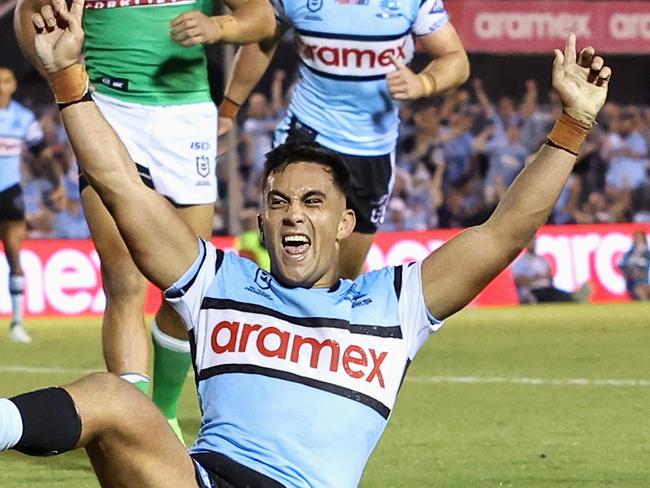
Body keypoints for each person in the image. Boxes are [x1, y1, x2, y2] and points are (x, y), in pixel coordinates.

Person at [1, 4, 610, 486]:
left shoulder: (393, 304)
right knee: (114, 393)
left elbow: (504, 232)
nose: (294, 216)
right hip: (197, 481)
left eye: (313, 202)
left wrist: (572, 125)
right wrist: (67, 80)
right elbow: (119, 185)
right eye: (279, 202)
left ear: (347, 222)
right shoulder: (218, 280)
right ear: (263, 222)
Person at [14, 0, 274, 440]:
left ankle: (164, 409)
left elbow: (262, 19)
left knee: (186, 286)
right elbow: (28, 11)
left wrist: (217, 27)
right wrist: (54, 65)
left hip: (185, 115)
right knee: (124, 280)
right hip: (106, 109)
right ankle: (137, 432)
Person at [217, 0, 470, 278]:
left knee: (344, 276)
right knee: (293, 262)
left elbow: (455, 58)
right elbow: (260, 41)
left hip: (372, 151)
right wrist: (228, 110)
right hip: (307, 134)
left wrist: (424, 83)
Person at [0, 66, 46, 343]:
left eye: (6, 80)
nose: (1, 86)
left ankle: (18, 322)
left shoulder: (24, 118)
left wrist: (55, 186)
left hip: (9, 192)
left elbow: (42, 154)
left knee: (14, 254)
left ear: (14, 84)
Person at [512, 237, 591, 304]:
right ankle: (575, 298)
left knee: (556, 293)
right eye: (530, 241)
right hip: (533, 290)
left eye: (534, 240)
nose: (533, 243)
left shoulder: (541, 260)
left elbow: (549, 276)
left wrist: (541, 277)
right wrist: (538, 278)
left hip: (546, 287)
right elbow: (520, 280)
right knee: (554, 296)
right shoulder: (520, 262)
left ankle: (574, 297)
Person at [618, 230, 650, 300]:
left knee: (646, 289)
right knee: (641, 292)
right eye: (637, 238)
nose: (639, 240)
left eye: (640, 238)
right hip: (634, 284)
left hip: (645, 282)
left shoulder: (646, 253)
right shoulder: (629, 253)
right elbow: (622, 264)